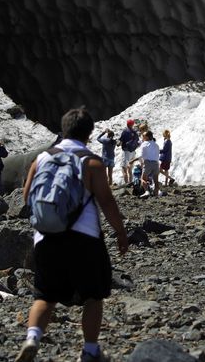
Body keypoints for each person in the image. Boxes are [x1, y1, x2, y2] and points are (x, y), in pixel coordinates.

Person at [16, 107, 129, 362]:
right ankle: (89, 351)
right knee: (93, 295)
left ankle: (32, 338)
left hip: (46, 237)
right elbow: (107, 202)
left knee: (45, 296)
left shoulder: (42, 159)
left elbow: (26, 197)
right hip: (84, 238)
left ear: (63, 129)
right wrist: (121, 233)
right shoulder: (92, 162)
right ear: (89, 134)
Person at [140, 130, 161, 198]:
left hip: (148, 162)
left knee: (143, 179)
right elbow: (158, 154)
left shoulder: (144, 144)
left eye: (143, 136)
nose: (142, 137)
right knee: (156, 179)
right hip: (156, 163)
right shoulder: (156, 145)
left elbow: (142, 155)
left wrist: (134, 161)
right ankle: (156, 193)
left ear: (147, 137)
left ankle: (147, 191)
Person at [118, 119, 140, 186]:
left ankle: (126, 183)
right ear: (132, 124)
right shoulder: (135, 132)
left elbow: (121, 141)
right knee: (130, 168)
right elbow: (138, 141)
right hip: (133, 151)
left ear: (127, 124)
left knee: (124, 167)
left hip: (126, 151)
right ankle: (131, 182)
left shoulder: (125, 131)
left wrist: (118, 144)